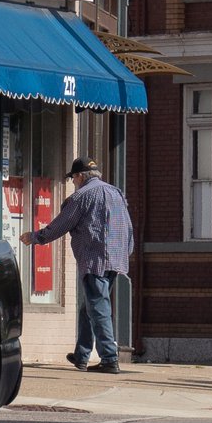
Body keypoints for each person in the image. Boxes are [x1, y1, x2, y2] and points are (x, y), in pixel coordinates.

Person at [28, 159, 133, 372]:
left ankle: (109, 359)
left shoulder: (81, 196)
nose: (73, 182)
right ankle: (81, 355)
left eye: (73, 178)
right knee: (91, 306)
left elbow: (61, 225)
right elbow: (128, 227)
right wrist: (126, 252)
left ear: (80, 176)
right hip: (116, 258)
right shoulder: (116, 193)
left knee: (98, 308)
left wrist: (36, 237)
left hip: (94, 259)